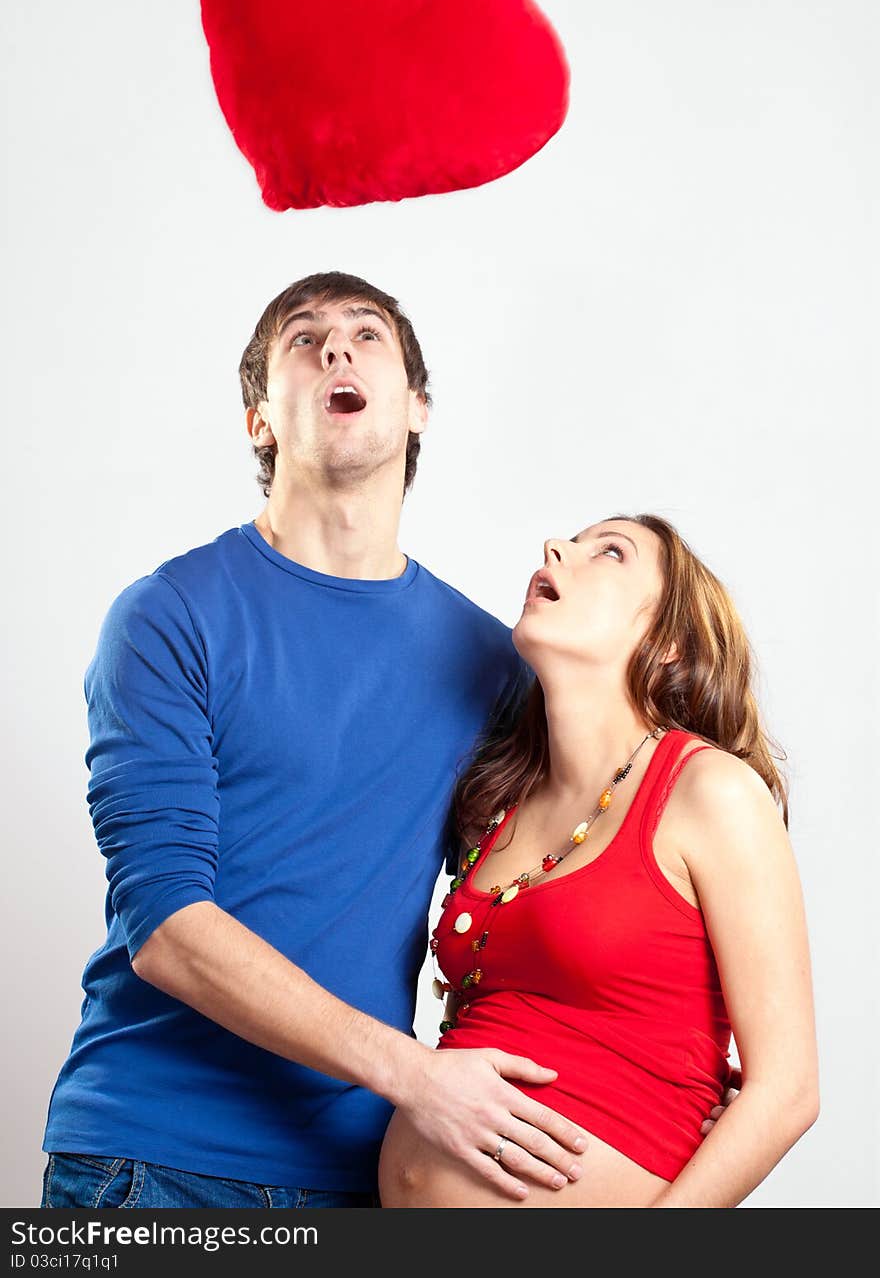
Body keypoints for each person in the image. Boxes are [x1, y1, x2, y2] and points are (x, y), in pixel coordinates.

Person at [40, 274, 733, 1210]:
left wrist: (661, 1059)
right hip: (153, 1161)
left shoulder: (492, 662)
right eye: (304, 338)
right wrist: (413, 1074)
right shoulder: (169, 618)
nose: (337, 349)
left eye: (367, 334)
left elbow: (546, 883)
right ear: (259, 421)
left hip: (368, 1174)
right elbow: (165, 927)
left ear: (417, 409)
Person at [378, 514, 819, 1207]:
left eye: (610, 552)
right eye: (569, 541)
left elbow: (787, 1091)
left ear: (669, 643)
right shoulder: (495, 807)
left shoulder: (710, 792)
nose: (557, 548)